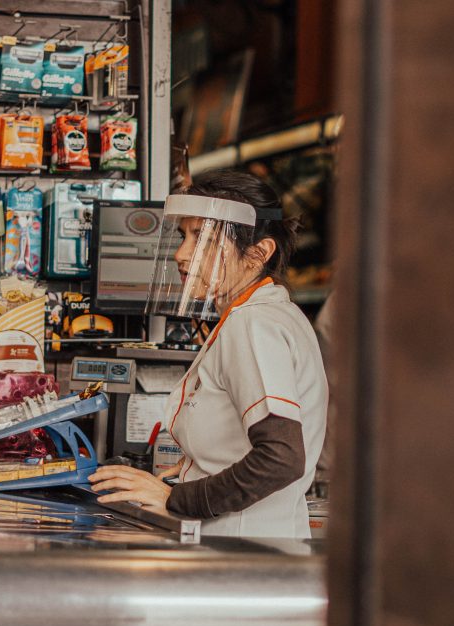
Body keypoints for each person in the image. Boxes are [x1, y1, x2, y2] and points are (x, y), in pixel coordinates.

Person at [88, 170, 328, 539]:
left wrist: (178, 497)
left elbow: (282, 458)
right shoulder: (268, 315)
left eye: (202, 238)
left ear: (258, 253)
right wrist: (194, 471)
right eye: (184, 236)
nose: (182, 254)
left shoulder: (254, 324)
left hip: (240, 551)